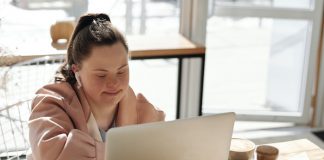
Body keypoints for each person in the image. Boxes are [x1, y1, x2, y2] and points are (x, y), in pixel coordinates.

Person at [28, 13, 165, 160]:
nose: (114, 83)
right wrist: (127, 151)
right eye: (101, 75)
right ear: (76, 71)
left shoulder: (144, 113)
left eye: (121, 71)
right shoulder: (50, 104)